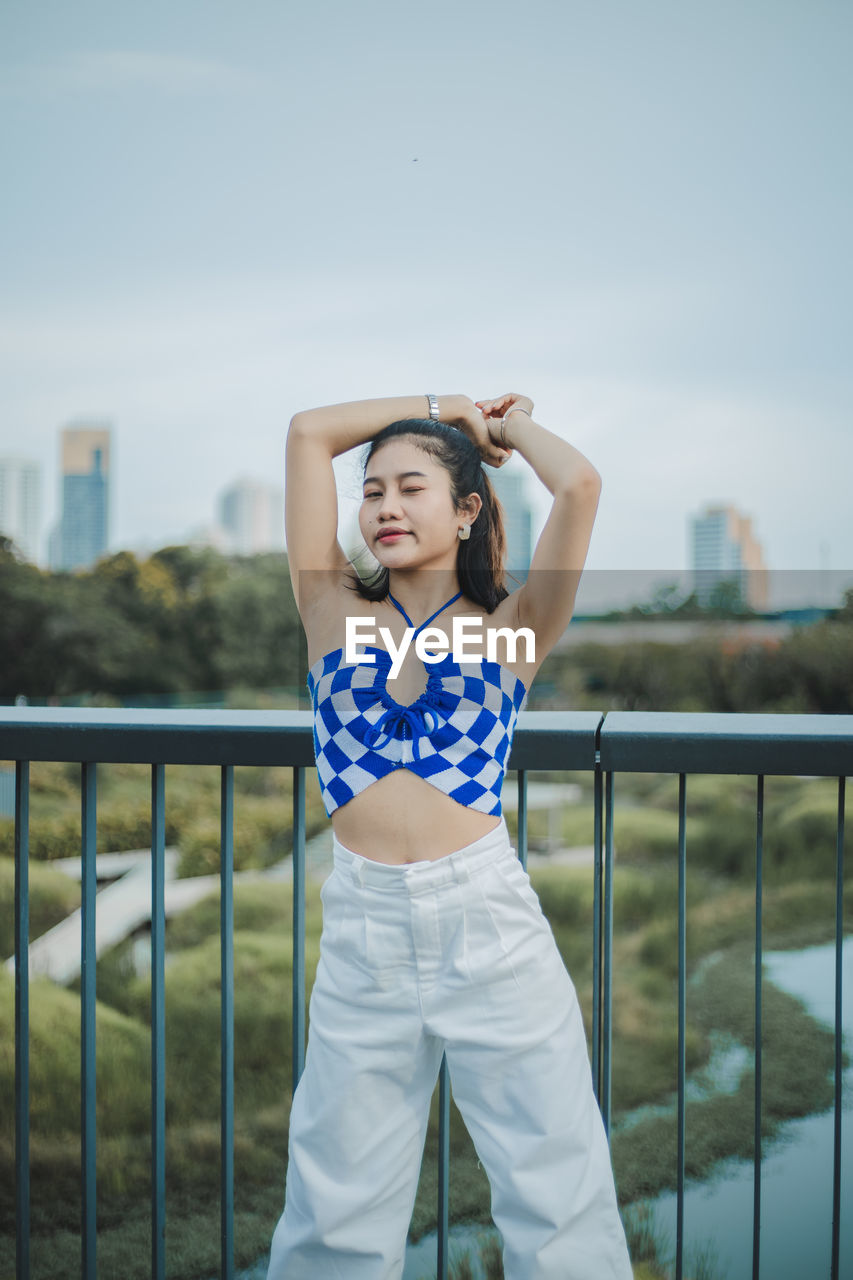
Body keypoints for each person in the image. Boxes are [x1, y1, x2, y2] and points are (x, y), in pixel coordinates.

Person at [267, 392, 632, 1280]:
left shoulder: (511, 630)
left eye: (412, 488)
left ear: (468, 510)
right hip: (363, 927)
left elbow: (579, 483)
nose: (385, 506)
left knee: (558, 1198)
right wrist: (439, 406)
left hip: (486, 921)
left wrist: (499, 431)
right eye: (373, 491)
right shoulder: (329, 611)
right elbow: (308, 433)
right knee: (333, 1209)